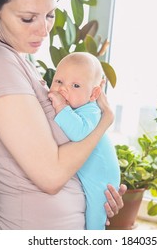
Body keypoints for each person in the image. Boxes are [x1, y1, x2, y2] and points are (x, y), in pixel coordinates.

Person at [0, 0, 126, 229]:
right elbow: (50, 176)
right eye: (28, 18)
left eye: (49, 15)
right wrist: (106, 122)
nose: (43, 29)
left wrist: (97, 192)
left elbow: (59, 157)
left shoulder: (18, 60)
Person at [48, 52, 121, 230]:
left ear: (94, 93)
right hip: (93, 176)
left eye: (75, 85)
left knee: (94, 223)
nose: (63, 89)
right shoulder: (79, 106)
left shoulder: (91, 111)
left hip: (102, 181)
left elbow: (79, 133)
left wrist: (61, 107)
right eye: (59, 81)